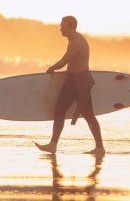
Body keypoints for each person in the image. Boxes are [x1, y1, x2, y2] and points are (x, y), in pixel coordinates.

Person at [35, 16, 105, 155]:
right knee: (60, 111)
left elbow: (64, 61)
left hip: (80, 84)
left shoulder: (76, 43)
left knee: (88, 115)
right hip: (73, 81)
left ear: (71, 26)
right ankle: (53, 144)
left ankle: (100, 148)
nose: (60, 28)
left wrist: (51, 68)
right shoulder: (74, 39)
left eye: (63, 26)